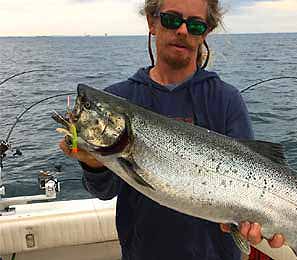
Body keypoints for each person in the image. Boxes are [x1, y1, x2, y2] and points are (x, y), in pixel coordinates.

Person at [60, 0, 284, 259]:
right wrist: (93, 164)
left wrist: (254, 225)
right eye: (171, 19)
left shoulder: (226, 99)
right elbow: (105, 192)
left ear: (205, 33)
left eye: (196, 24)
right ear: (151, 22)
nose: (182, 31)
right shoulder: (121, 97)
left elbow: (255, 171)